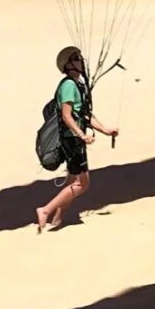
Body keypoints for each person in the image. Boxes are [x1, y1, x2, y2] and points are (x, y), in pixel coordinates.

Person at [34, 45, 119, 233]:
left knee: (72, 180)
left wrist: (105, 130)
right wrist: (81, 135)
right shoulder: (68, 86)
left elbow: (85, 115)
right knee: (82, 184)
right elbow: (67, 115)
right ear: (69, 64)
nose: (82, 61)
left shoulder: (78, 84)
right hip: (71, 140)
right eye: (77, 58)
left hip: (75, 139)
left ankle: (57, 217)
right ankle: (45, 210)